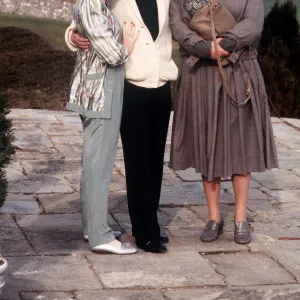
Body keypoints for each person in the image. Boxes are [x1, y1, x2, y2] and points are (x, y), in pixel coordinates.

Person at [65, 0, 178, 253]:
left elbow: (180, 26)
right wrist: (72, 37)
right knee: (133, 162)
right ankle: (143, 231)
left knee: (154, 161)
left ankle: (150, 222)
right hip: (128, 85)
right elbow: (81, 21)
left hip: (161, 84)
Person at [169, 0, 278, 244]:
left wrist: (227, 43)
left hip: (240, 70)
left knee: (241, 143)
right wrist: (202, 48)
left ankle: (240, 217)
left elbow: (253, 23)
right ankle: (214, 217)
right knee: (208, 142)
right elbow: (177, 23)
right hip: (201, 75)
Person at [67, 0, 139, 254]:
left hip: (100, 88)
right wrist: (127, 45)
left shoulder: (96, 3)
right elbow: (111, 53)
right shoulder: (92, 4)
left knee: (94, 161)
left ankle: (92, 227)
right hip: (101, 92)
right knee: (99, 163)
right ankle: (100, 236)